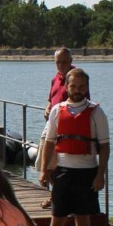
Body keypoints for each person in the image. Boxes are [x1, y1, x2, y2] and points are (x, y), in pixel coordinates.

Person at [38, 67, 108, 226]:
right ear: (66, 87)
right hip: (62, 172)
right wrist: (44, 170)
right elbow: (49, 142)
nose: (77, 90)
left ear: (87, 88)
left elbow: (105, 147)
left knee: (82, 220)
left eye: (82, 86)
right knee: (57, 219)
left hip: (87, 172)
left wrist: (100, 175)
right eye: (73, 86)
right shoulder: (58, 111)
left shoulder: (96, 112)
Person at [37, 48, 84, 210]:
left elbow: (82, 102)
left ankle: (55, 197)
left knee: (58, 165)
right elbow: (51, 100)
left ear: (71, 61)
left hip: (66, 128)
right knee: (45, 162)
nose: (61, 65)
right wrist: (47, 109)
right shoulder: (55, 79)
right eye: (58, 62)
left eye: (64, 61)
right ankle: (54, 195)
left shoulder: (76, 78)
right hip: (52, 124)